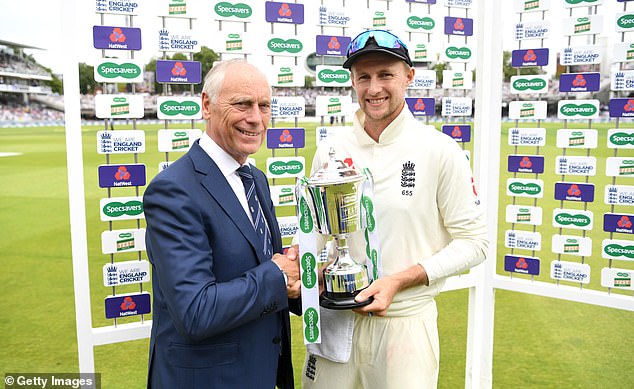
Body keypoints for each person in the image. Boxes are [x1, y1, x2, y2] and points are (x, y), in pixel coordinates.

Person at [301, 30, 489, 389]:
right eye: (364, 77)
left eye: (386, 74)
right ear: (353, 81)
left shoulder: (439, 150)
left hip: (405, 324)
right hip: (337, 323)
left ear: (408, 76)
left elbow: (475, 242)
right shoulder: (331, 148)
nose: (374, 88)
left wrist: (400, 280)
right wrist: (309, 265)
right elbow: (319, 232)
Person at [143, 59, 301, 389]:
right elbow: (195, 311)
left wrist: (302, 278)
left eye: (264, 106)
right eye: (242, 104)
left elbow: (262, 273)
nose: (256, 118)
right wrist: (277, 274)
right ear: (207, 105)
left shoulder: (254, 178)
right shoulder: (173, 190)